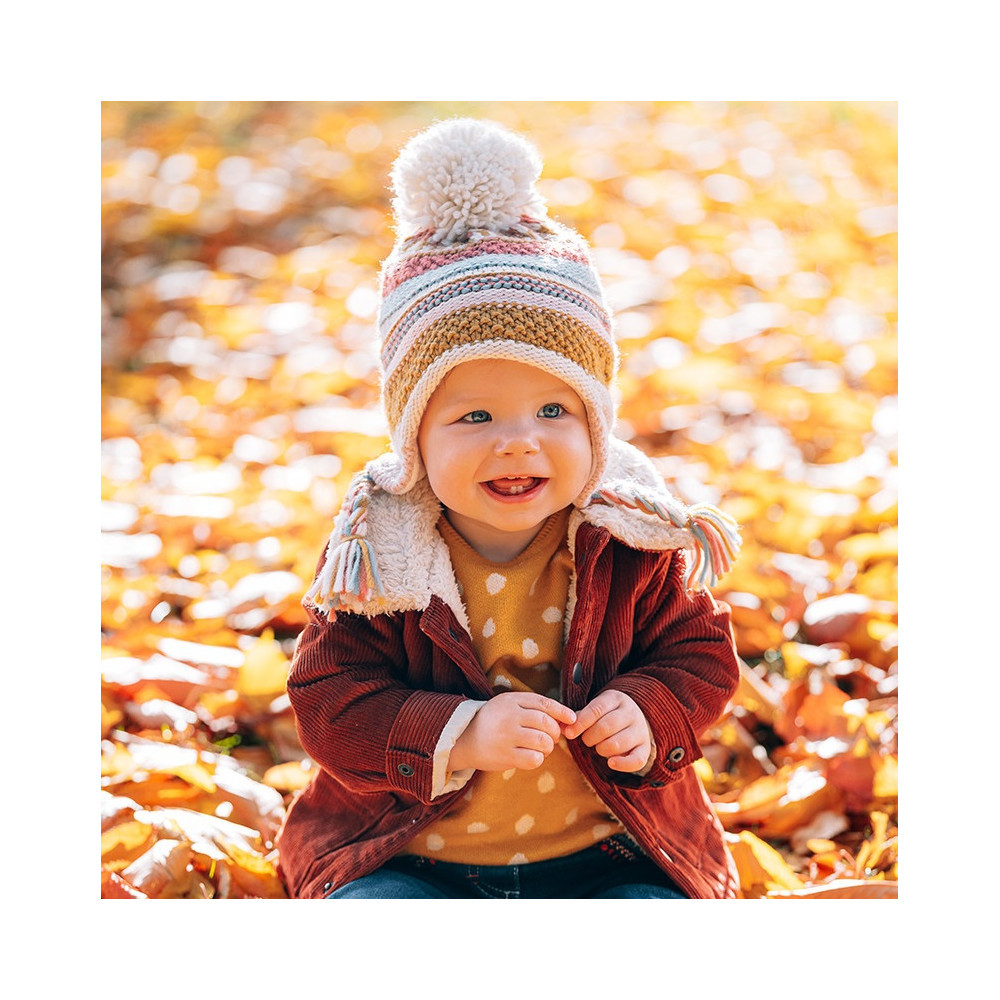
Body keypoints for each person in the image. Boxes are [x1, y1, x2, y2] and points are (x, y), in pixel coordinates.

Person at [276, 118, 743, 899]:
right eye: (475, 417)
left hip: (610, 856)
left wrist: (648, 709)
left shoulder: (629, 534)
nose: (519, 444)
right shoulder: (383, 553)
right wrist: (460, 733)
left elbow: (701, 652)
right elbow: (329, 699)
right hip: (411, 858)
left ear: (597, 421)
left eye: (554, 413)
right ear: (412, 435)